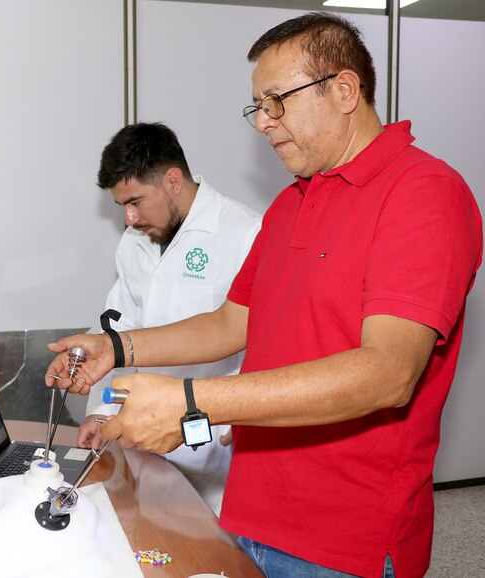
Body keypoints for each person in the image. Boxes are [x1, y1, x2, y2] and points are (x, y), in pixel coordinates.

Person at [46, 12, 482, 578]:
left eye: (277, 101)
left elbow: (389, 372)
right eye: (258, 106)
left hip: (341, 540)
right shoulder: (290, 205)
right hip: (250, 511)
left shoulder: (424, 195)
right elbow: (231, 323)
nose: (263, 123)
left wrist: (193, 403)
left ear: (344, 90)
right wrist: (117, 347)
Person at [78, 122, 261, 515]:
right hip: (143, 439)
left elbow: (263, 341)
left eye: (136, 201)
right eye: (121, 206)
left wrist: (239, 423)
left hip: (212, 445)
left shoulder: (245, 234)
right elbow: (119, 333)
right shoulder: (135, 243)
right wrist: (101, 410)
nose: (129, 218)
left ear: (173, 181)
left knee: (214, 560)